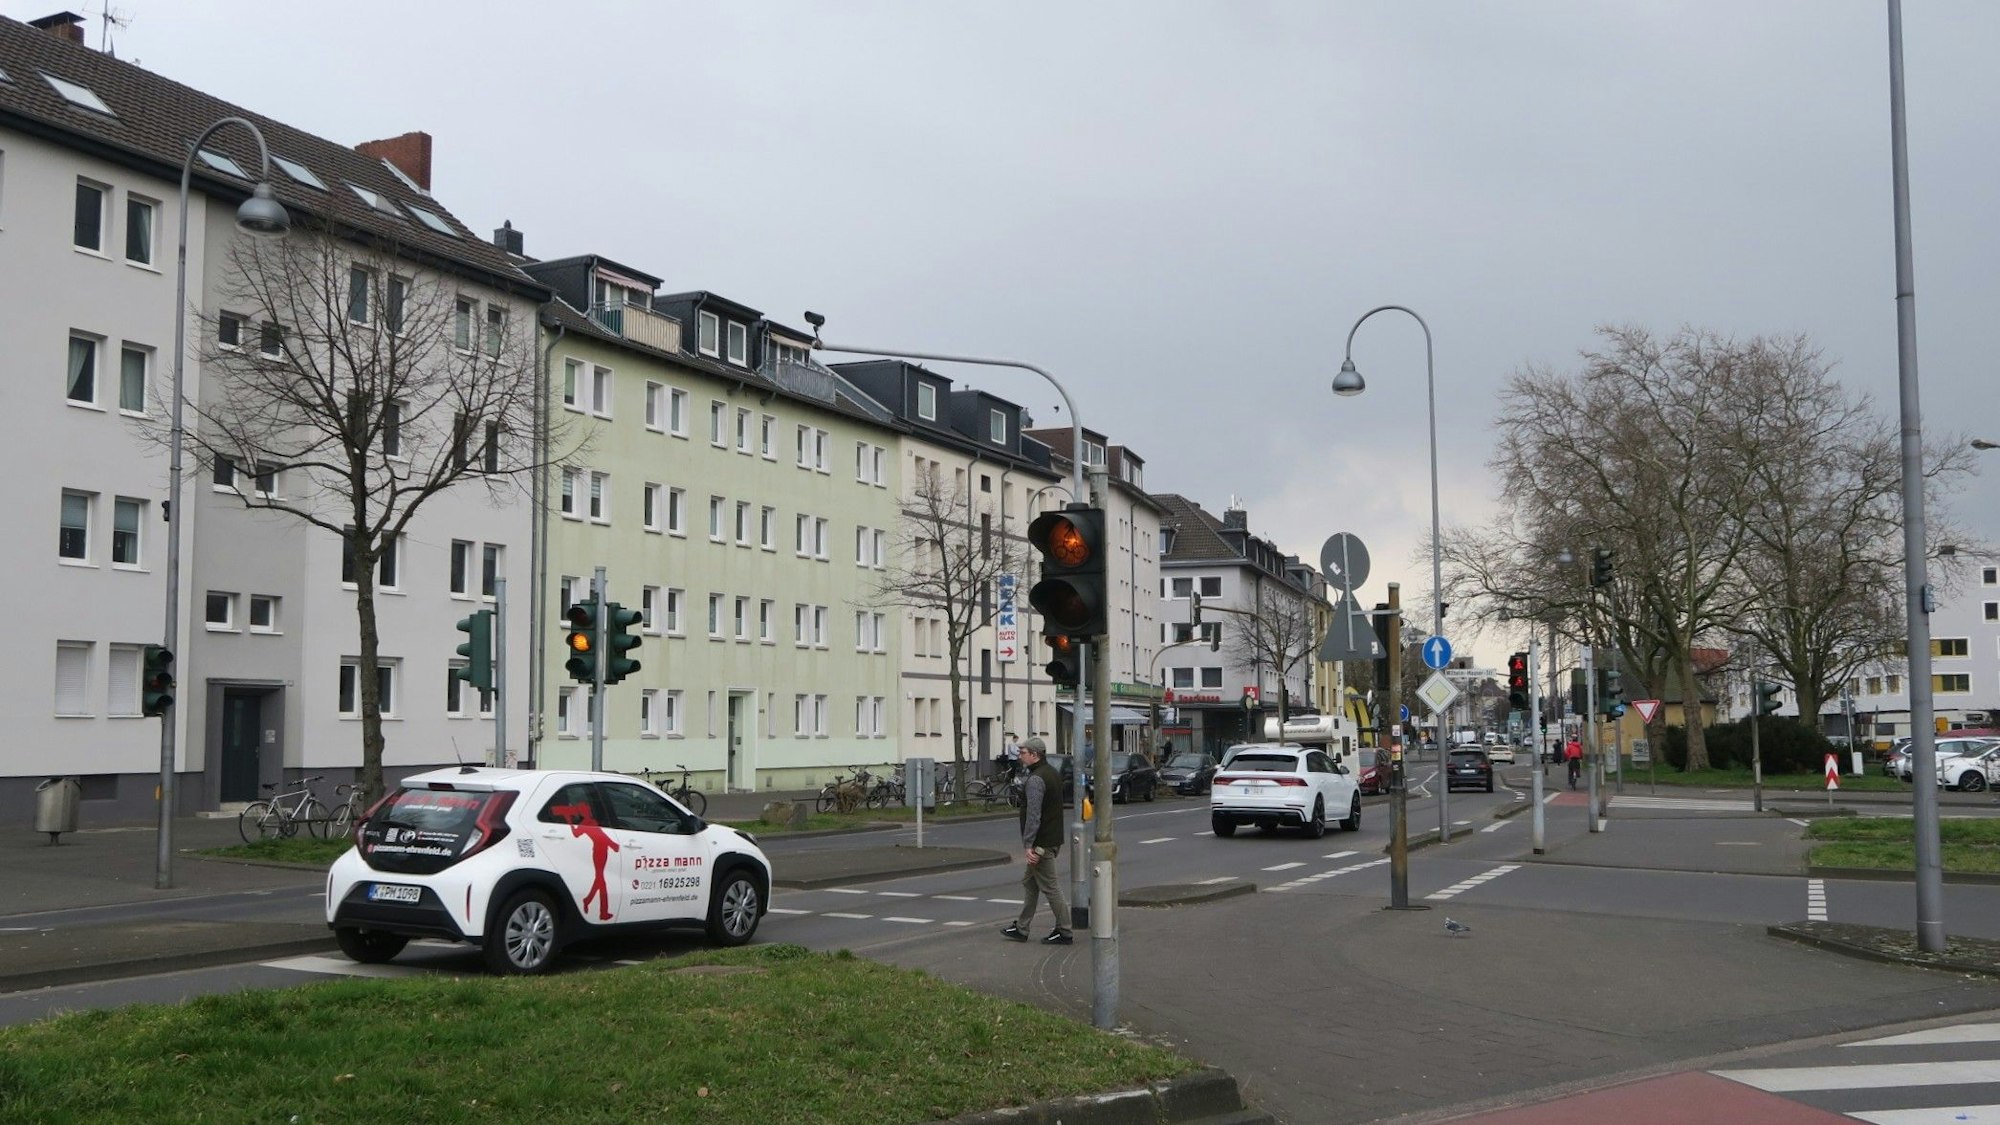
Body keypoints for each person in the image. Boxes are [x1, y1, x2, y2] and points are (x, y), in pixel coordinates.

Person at [1001, 737, 1073, 945]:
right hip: (1052, 838)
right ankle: (1021, 928)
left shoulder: (1035, 780)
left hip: (1042, 842)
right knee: (1030, 883)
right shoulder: (1051, 773)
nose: (1020, 755)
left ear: (1034, 754)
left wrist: (1029, 845)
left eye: (1023, 752)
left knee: (1050, 886)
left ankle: (1065, 930)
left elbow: (1034, 815)